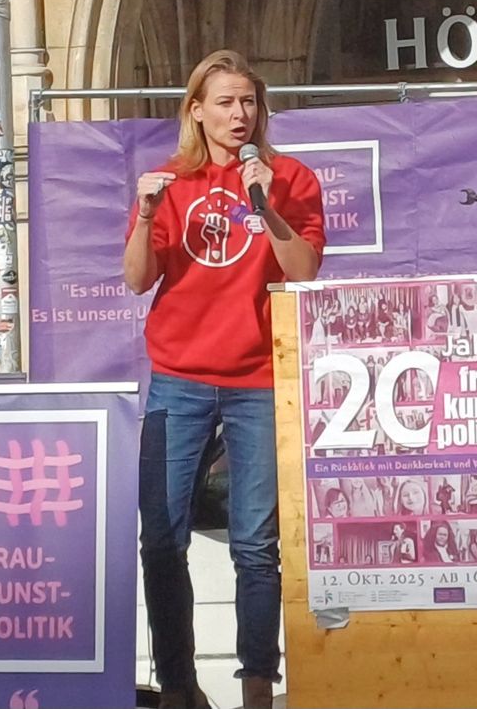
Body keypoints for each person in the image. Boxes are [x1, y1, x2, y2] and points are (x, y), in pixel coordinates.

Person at [124, 50, 326, 709]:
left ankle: (258, 682)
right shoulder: (171, 182)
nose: (240, 114)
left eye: (249, 101)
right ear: (197, 111)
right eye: (225, 102)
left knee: (256, 543)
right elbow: (137, 278)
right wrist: (146, 214)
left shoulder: (289, 178)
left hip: (259, 378)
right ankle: (179, 685)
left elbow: (303, 270)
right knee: (161, 537)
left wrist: (267, 204)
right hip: (179, 377)